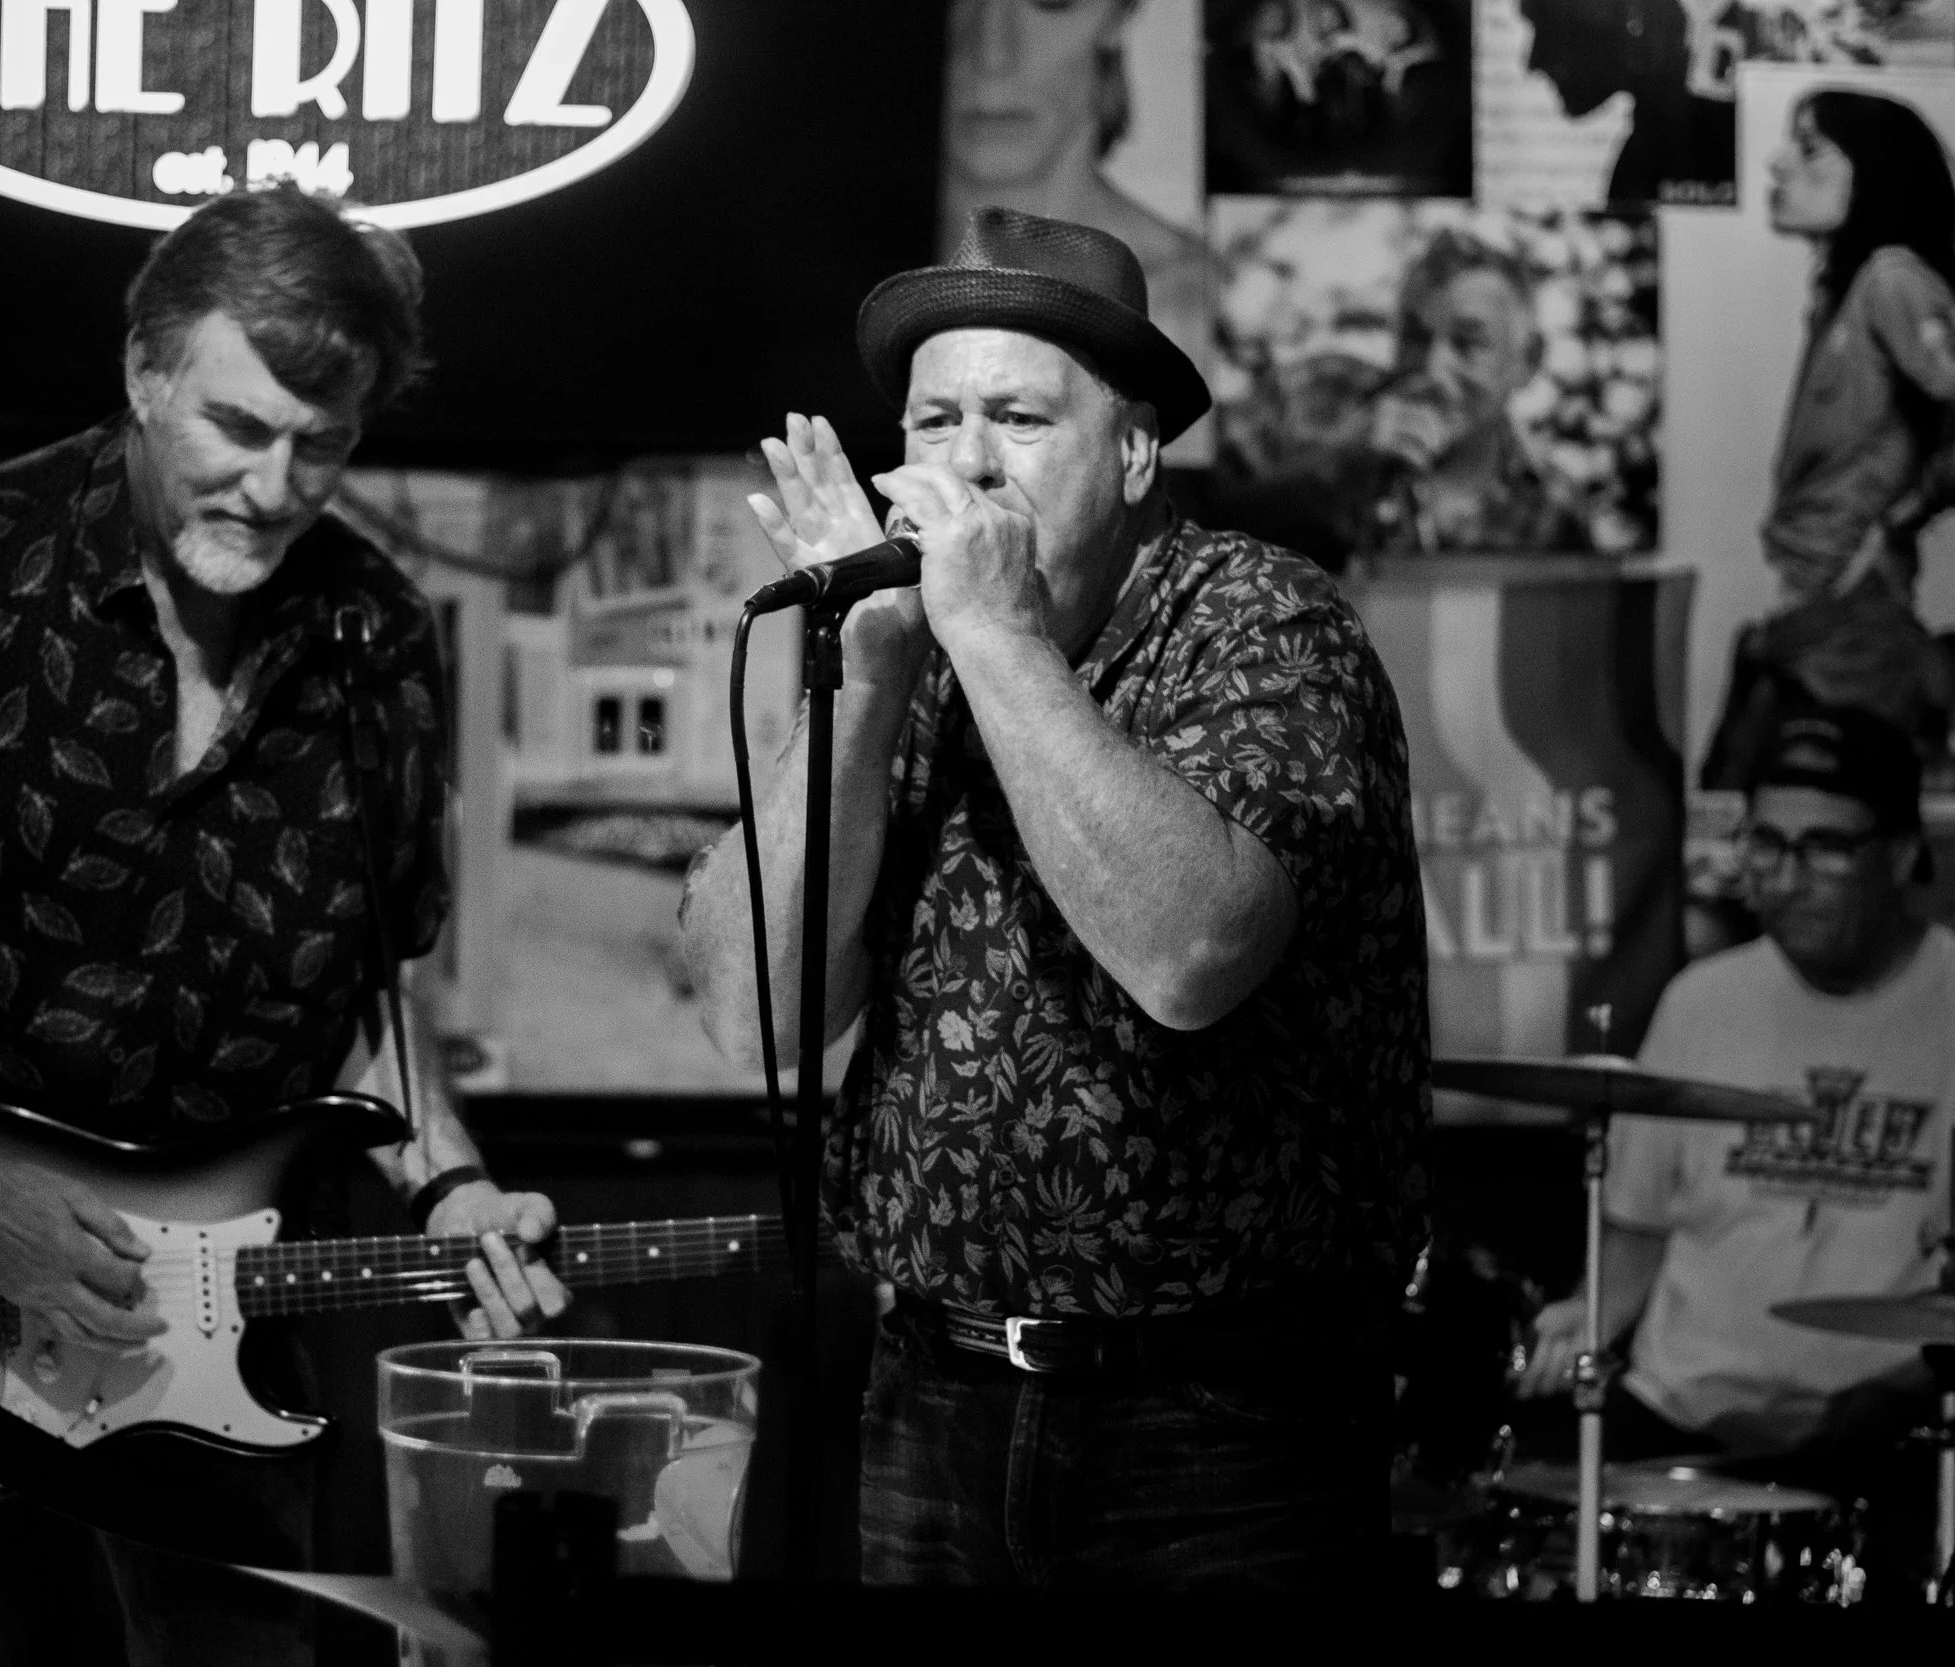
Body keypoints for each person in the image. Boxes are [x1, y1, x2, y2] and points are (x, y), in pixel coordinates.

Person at [0, 183, 568, 1667]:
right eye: (238, 429)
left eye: (327, 443)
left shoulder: (377, 637)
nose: (276, 484)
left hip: (234, 1332)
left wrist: (454, 1193)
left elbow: (368, 996)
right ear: (144, 371)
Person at [676, 206, 1430, 1592]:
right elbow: (750, 1012)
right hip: (931, 1383)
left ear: (1135, 451)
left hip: (1218, 1420)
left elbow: (1195, 950)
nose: (965, 462)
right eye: (936, 418)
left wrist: (996, 636)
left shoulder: (1261, 623)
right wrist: (878, 668)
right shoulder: (903, 649)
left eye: (1020, 417)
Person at [1519, 708, 1955, 1506]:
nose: (1784, 878)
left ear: (1901, 855)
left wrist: (1894, 1394)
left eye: (1823, 847)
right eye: (1765, 843)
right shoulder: (1700, 1000)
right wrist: (1582, 1319)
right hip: (1678, 1414)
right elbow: (1639, 1233)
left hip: (1885, 1435)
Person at [1700, 89, 1955, 792]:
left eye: (1812, 149)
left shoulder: (1890, 280)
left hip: (1853, 625)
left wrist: (1910, 509)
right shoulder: (1846, 296)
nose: (1776, 162)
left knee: (1823, 823)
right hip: (1815, 615)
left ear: (1873, 171)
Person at [1216, 227, 1588, 561]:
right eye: (1414, 336)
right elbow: (1189, 509)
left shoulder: (1552, 511)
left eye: (1468, 343)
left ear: (1528, 361)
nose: (1432, 368)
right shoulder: (1312, 391)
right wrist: (1334, 468)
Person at [941, 0, 1209, 364]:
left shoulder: (1210, 312)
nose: (993, 56)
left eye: (1051, 3)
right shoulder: (841, 291)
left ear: (1119, 13)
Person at [1516, 0, 1737, 207]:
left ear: (1632, 22)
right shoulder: (1654, 147)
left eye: (1550, 32)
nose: (1532, 62)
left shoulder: (1690, 147)